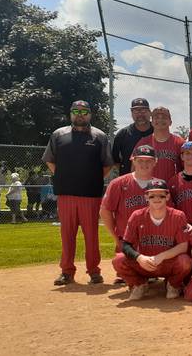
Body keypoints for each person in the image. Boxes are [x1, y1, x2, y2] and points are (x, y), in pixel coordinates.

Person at [42, 100, 114, 285]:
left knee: (91, 235)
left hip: (90, 194)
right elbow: (50, 159)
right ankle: (67, 271)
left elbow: (107, 164)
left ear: (90, 114)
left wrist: (91, 177)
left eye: (84, 111)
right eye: (76, 111)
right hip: (66, 194)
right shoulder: (59, 134)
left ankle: (94, 271)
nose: (80, 114)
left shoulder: (99, 136)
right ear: (70, 113)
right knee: (67, 234)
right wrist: (63, 176)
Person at [111, 179, 192, 301]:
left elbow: (183, 246)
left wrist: (161, 256)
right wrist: (139, 257)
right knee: (118, 260)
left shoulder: (178, 216)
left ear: (168, 196)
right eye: (152, 195)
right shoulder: (137, 215)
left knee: (185, 261)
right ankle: (140, 284)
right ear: (146, 196)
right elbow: (126, 245)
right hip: (145, 263)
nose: (157, 198)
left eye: (161, 195)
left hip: (167, 263)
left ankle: (173, 284)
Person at [101, 145, 159, 284]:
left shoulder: (159, 185)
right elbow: (105, 211)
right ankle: (131, 275)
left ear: (155, 162)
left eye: (148, 161)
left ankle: (150, 273)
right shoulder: (119, 183)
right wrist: (115, 237)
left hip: (153, 241)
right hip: (128, 241)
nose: (144, 164)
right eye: (140, 160)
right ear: (133, 160)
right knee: (120, 262)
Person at [135, 106, 184, 182]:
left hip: (173, 188)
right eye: (156, 117)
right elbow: (134, 167)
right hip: (148, 188)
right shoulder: (143, 142)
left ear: (170, 122)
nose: (160, 120)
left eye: (164, 117)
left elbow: (187, 168)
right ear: (152, 122)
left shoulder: (179, 143)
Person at [112, 98, 153, 175]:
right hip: (128, 181)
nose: (140, 114)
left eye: (143, 110)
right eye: (136, 111)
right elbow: (116, 160)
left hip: (154, 181)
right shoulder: (123, 134)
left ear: (150, 112)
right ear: (131, 113)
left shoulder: (158, 131)